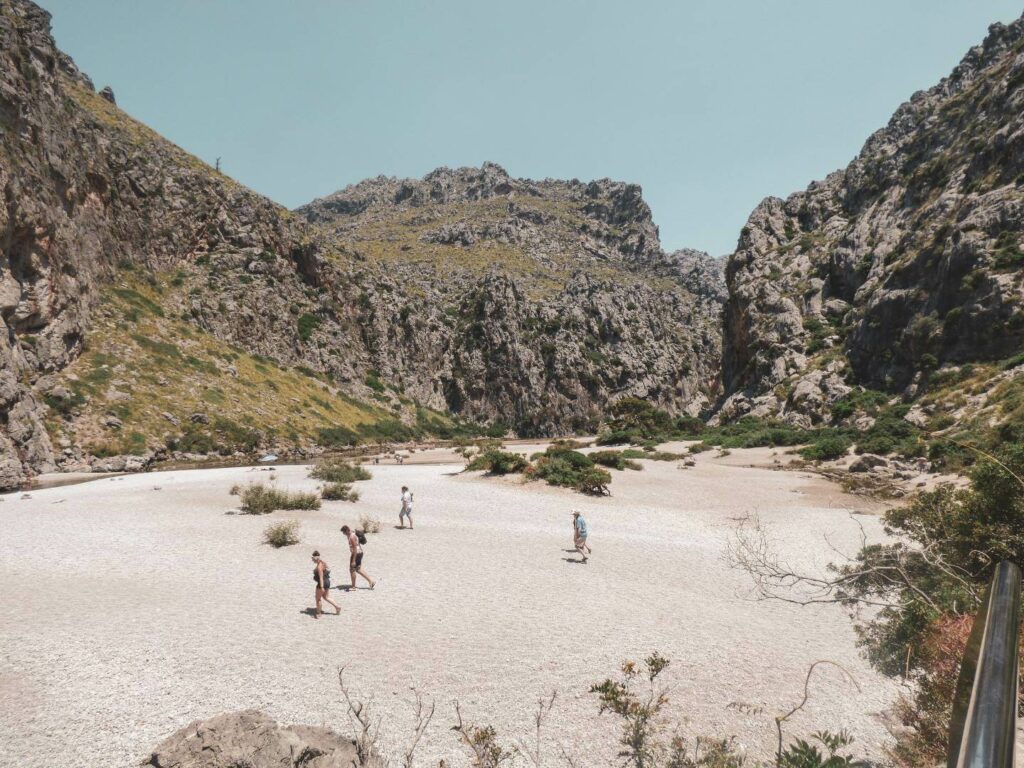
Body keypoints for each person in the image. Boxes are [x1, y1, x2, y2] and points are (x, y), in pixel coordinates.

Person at [342, 525, 375, 589]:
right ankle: (371, 581)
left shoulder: (351, 537)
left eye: (344, 533)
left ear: (346, 531)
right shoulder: (353, 533)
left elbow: (354, 548)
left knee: (352, 570)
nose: (344, 534)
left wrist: (353, 560)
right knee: (358, 569)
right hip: (360, 553)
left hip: (356, 554)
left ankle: (353, 586)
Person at [311, 550, 341, 618]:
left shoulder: (319, 567)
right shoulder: (323, 562)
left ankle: (319, 613)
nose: (312, 561)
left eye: (313, 559)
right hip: (327, 581)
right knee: (326, 597)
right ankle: (337, 607)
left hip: (322, 583)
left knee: (318, 598)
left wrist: (321, 587)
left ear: (316, 559)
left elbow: (321, 577)